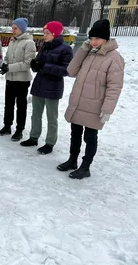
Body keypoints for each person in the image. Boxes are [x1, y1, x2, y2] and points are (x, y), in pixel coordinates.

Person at [58, 19, 124, 179]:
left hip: (95, 106)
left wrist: (107, 109)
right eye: (92, 38)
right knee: (75, 134)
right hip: (79, 101)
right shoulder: (88, 52)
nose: (94, 42)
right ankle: (72, 160)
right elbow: (71, 70)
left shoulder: (114, 58)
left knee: (90, 137)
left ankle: (85, 167)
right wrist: (83, 49)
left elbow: (114, 87)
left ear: (106, 39)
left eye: (97, 39)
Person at [20, 21, 73, 154]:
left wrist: (44, 66)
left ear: (55, 33)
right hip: (39, 84)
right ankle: (34, 137)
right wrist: (35, 64)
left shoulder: (66, 49)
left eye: (47, 33)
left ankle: (50, 143)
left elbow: (67, 70)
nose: (45, 35)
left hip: (53, 87)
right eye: (44, 33)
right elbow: (40, 63)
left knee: (51, 117)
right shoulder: (45, 46)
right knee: (35, 115)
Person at [0, 18, 36, 141]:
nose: (12, 30)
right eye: (12, 28)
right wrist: (4, 65)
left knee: (21, 105)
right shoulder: (12, 41)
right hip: (10, 78)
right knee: (8, 104)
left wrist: (9, 67)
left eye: (15, 28)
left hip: (22, 80)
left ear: (22, 29)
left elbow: (27, 63)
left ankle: (19, 130)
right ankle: (7, 126)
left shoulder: (29, 43)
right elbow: (7, 57)